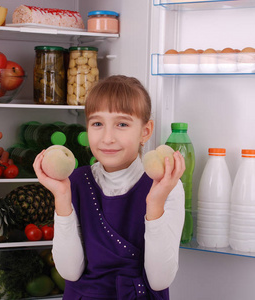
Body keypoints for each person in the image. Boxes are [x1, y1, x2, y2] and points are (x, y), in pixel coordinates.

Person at [33, 75, 185, 299]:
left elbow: (159, 280)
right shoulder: (74, 181)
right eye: (97, 124)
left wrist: (155, 204)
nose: (107, 138)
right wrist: (62, 198)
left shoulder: (166, 185)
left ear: (146, 131)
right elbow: (69, 273)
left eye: (122, 124)